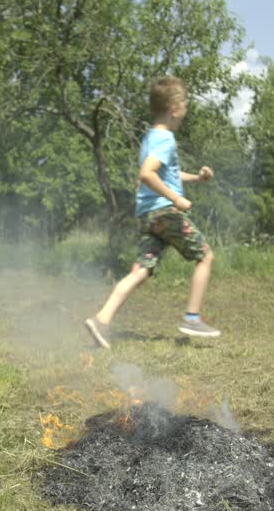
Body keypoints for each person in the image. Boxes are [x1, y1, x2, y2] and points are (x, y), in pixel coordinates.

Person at [85, 76, 220, 350]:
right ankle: (192, 318)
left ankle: (101, 320)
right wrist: (176, 199)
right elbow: (147, 174)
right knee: (205, 256)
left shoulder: (151, 137)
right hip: (164, 212)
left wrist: (196, 178)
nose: (187, 106)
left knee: (141, 270)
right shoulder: (166, 139)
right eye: (185, 102)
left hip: (149, 215)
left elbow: (166, 173)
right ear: (174, 107)